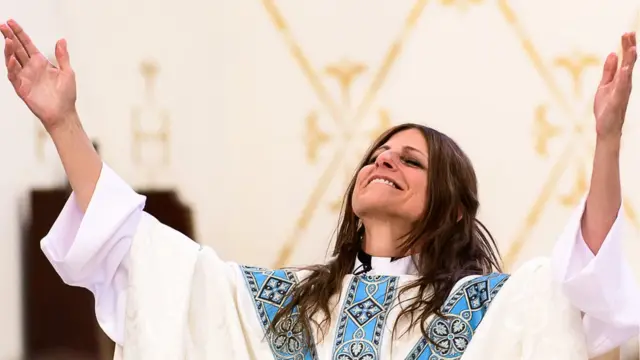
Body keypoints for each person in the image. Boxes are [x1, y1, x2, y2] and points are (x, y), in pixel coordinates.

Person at [2, 18, 639, 359]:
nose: (384, 161)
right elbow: (139, 255)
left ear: (446, 207)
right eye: (379, 152)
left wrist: (606, 141)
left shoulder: (488, 308)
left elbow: (588, 283)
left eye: (411, 161)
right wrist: (63, 124)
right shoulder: (292, 304)